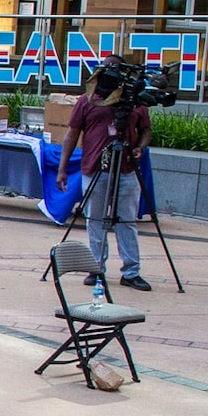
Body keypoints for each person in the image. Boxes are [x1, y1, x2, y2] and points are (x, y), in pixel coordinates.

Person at [65, 69, 153, 292]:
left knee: (127, 221)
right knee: (95, 219)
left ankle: (131, 272)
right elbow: (72, 133)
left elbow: (146, 130)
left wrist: (140, 147)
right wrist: (62, 169)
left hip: (126, 169)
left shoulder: (135, 101)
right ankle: (96, 269)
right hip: (95, 167)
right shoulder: (88, 99)